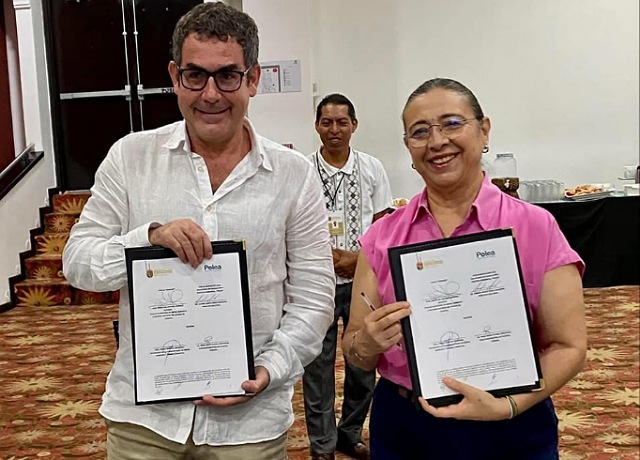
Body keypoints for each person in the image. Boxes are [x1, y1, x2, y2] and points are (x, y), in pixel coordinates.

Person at [62, 3, 335, 459]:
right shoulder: (131, 158)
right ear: (175, 76)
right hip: (144, 421)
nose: (210, 94)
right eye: (195, 75)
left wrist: (270, 369)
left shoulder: (293, 174)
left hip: (249, 424)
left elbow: (314, 297)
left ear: (253, 79)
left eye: (227, 76)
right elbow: (78, 264)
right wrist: (147, 240)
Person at [341, 78, 587, 459]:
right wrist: (366, 344)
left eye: (452, 123)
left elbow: (569, 345)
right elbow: (355, 347)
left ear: (484, 130)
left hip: (513, 422)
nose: (437, 141)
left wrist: (508, 407)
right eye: (419, 132)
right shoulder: (383, 237)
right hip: (407, 426)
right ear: (408, 146)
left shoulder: (536, 227)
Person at [303, 94, 393, 460]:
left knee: (362, 363)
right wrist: (322, 257)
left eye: (342, 122)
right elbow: (292, 225)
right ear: (317, 126)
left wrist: (360, 260)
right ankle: (322, 443)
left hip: (362, 281)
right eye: (327, 122)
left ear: (354, 125)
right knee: (317, 368)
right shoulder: (303, 170)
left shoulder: (371, 168)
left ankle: (350, 432)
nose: (335, 129)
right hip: (317, 281)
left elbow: (384, 224)